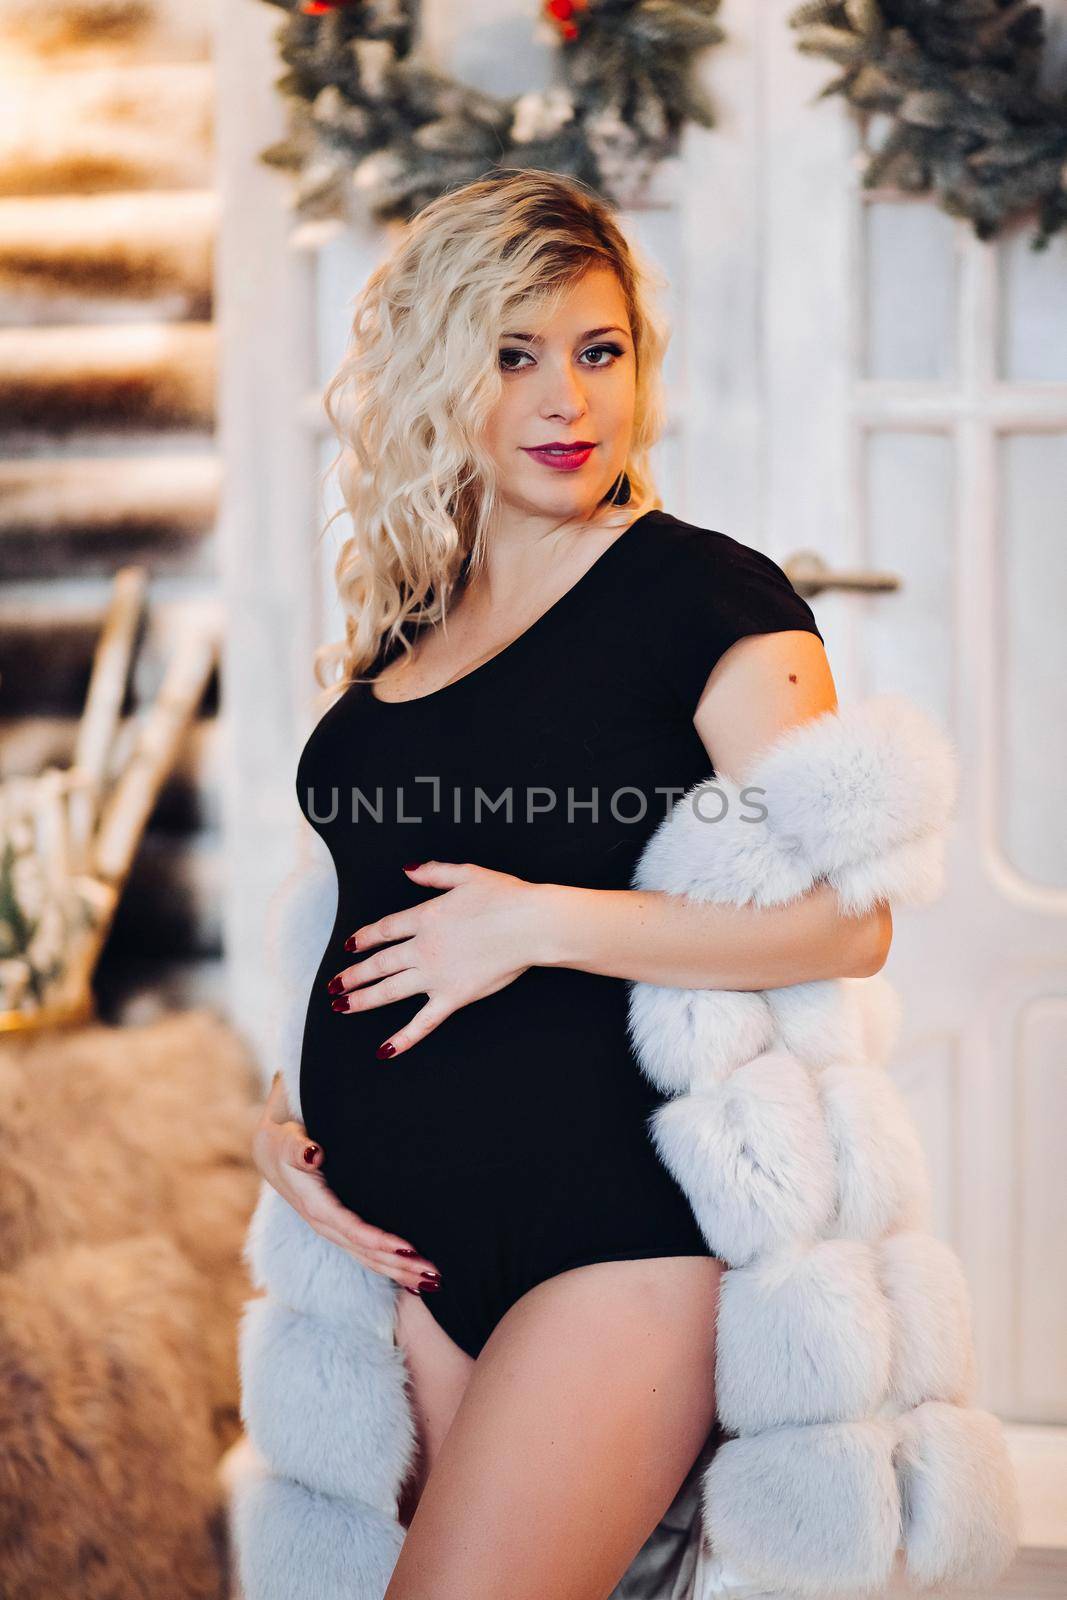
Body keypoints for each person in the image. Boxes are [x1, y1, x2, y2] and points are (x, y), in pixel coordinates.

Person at [250, 167, 890, 1600]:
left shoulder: (709, 601)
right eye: (517, 355)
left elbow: (851, 921)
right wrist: (286, 1117)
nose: (568, 401)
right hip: (408, 1256)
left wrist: (535, 925)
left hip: (611, 1232)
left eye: (600, 353)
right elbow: (361, 911)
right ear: (439, 373)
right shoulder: (410, 623)